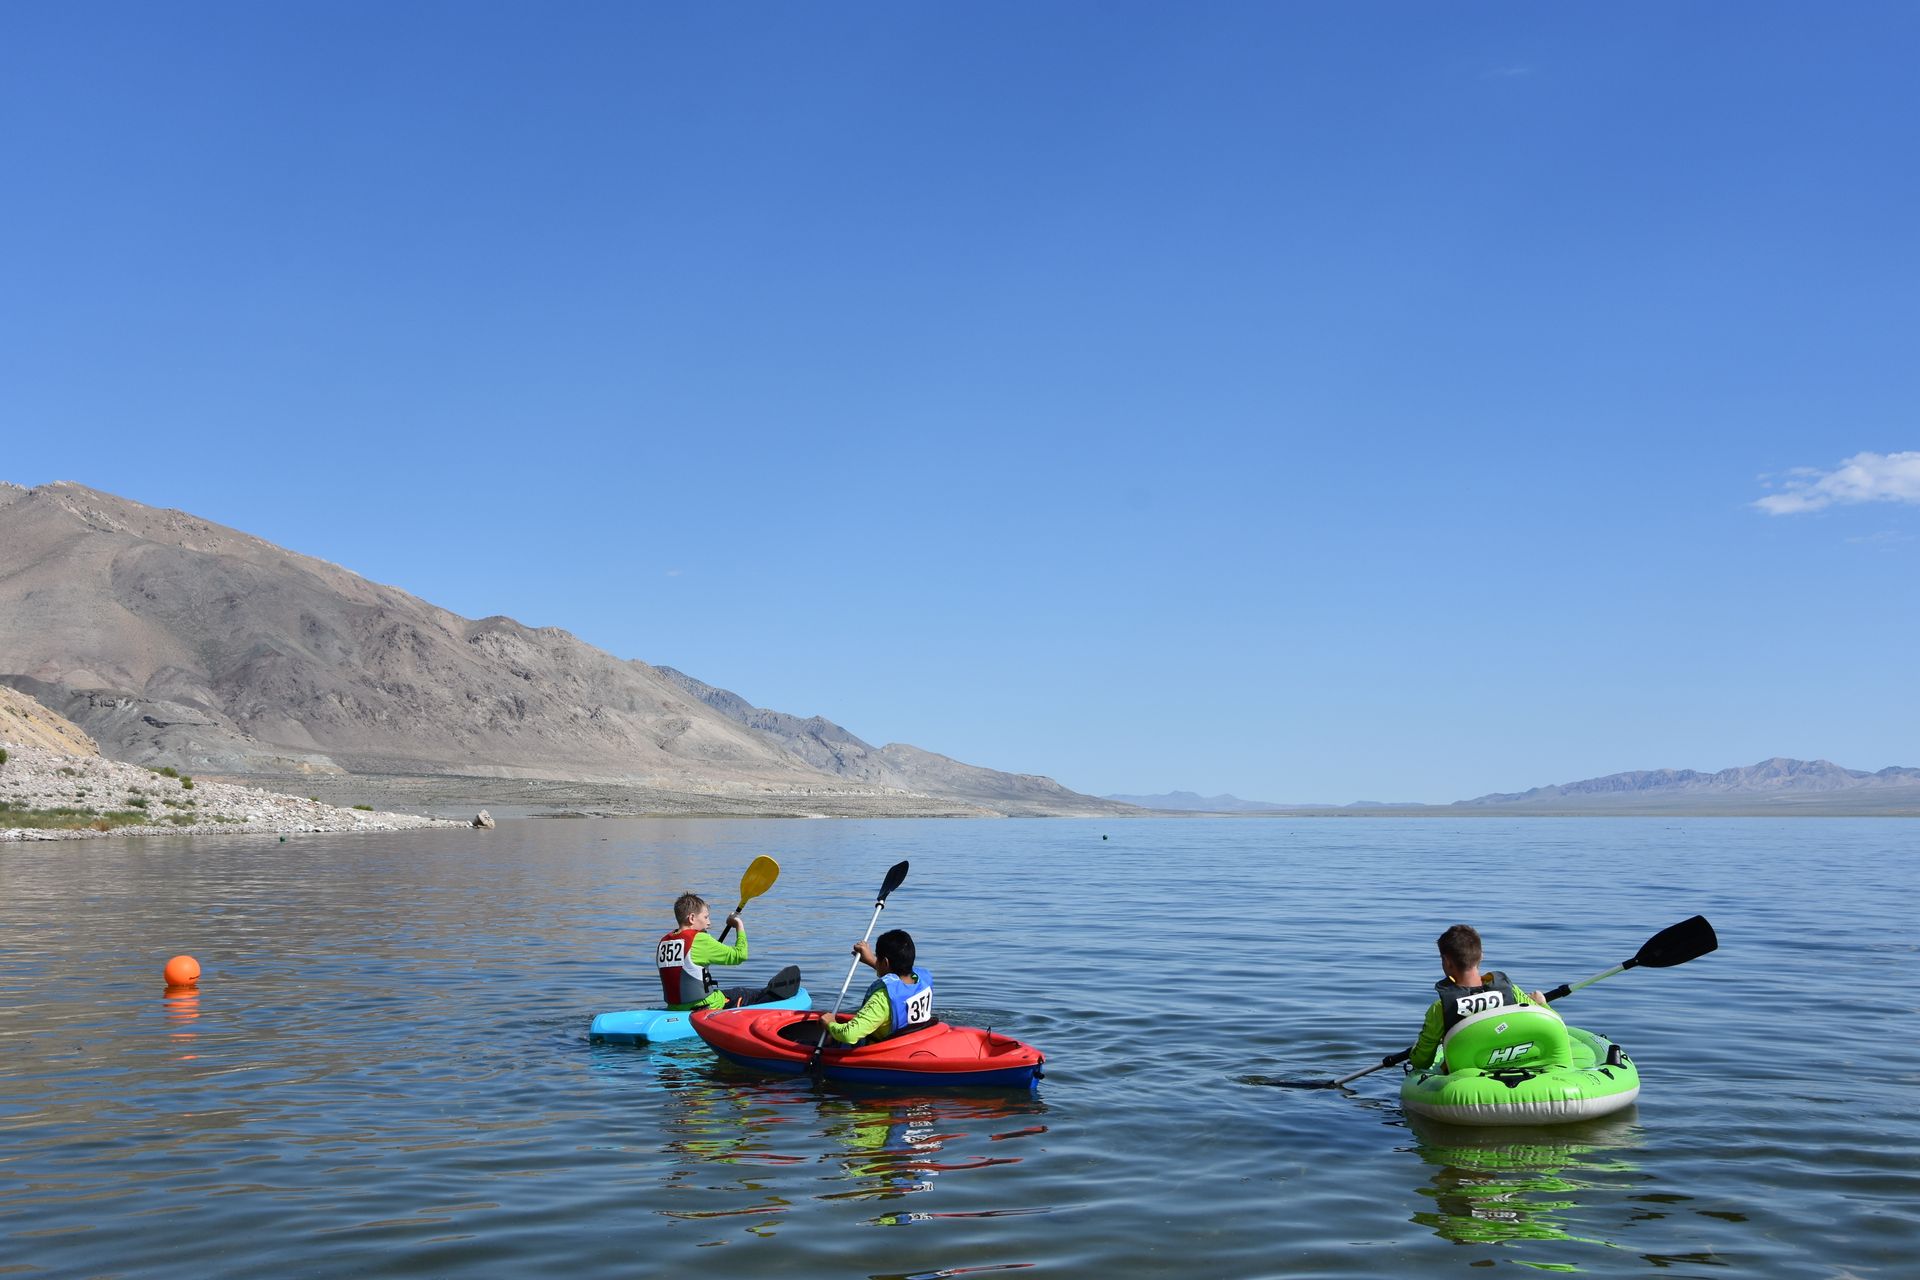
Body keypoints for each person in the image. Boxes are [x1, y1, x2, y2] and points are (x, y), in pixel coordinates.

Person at [1409, 923, 1550, 1071]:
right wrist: (1542, 1003)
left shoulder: (1441, 1008)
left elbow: (1421, 1062)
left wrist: (1416, 1050)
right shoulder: (1512, 991)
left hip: (1465, 1077)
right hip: (1513, 1067)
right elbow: (1555, 1024)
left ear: (1447, 961)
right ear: (1481, 956)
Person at [658, 891, 799, 1011]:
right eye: (705, 917)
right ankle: (776, 1001)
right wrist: (739, 925)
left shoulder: (664, 941)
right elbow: (740, 955)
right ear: (692, 918)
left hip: (674, 1007)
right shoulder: (700, 940)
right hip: (705, 1007)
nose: (709, 922)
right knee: (744, 993)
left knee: (726, 992)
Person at [822, 928, 934, 1047]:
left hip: (880, 1051)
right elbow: (896, 977)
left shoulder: (882, 999)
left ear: (885, 962)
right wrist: (872, 960)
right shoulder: (922, 979)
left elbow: (849, 1035)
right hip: (911, 1043)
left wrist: (831, 1023)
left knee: (826, 1039)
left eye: (877, 957)